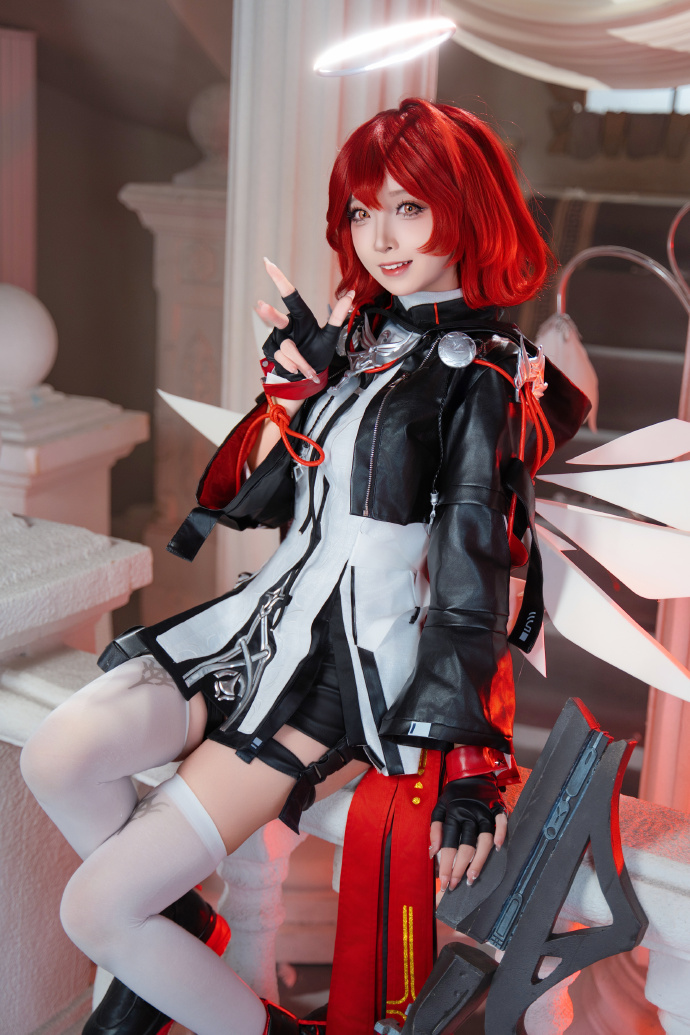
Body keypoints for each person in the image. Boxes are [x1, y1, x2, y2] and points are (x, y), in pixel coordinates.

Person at [20, 98, 589, 1035]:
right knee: (57, 755)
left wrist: (472, 759)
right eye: (363, 212)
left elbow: (473, 569)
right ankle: (183, 929)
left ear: (466, 208)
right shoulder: (361, 342)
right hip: (264, 624)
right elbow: (260, 500)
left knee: (97, 909)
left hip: (346, 668)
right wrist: (292, 394)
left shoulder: (484, 375)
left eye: (408, 208)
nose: (379, 238)